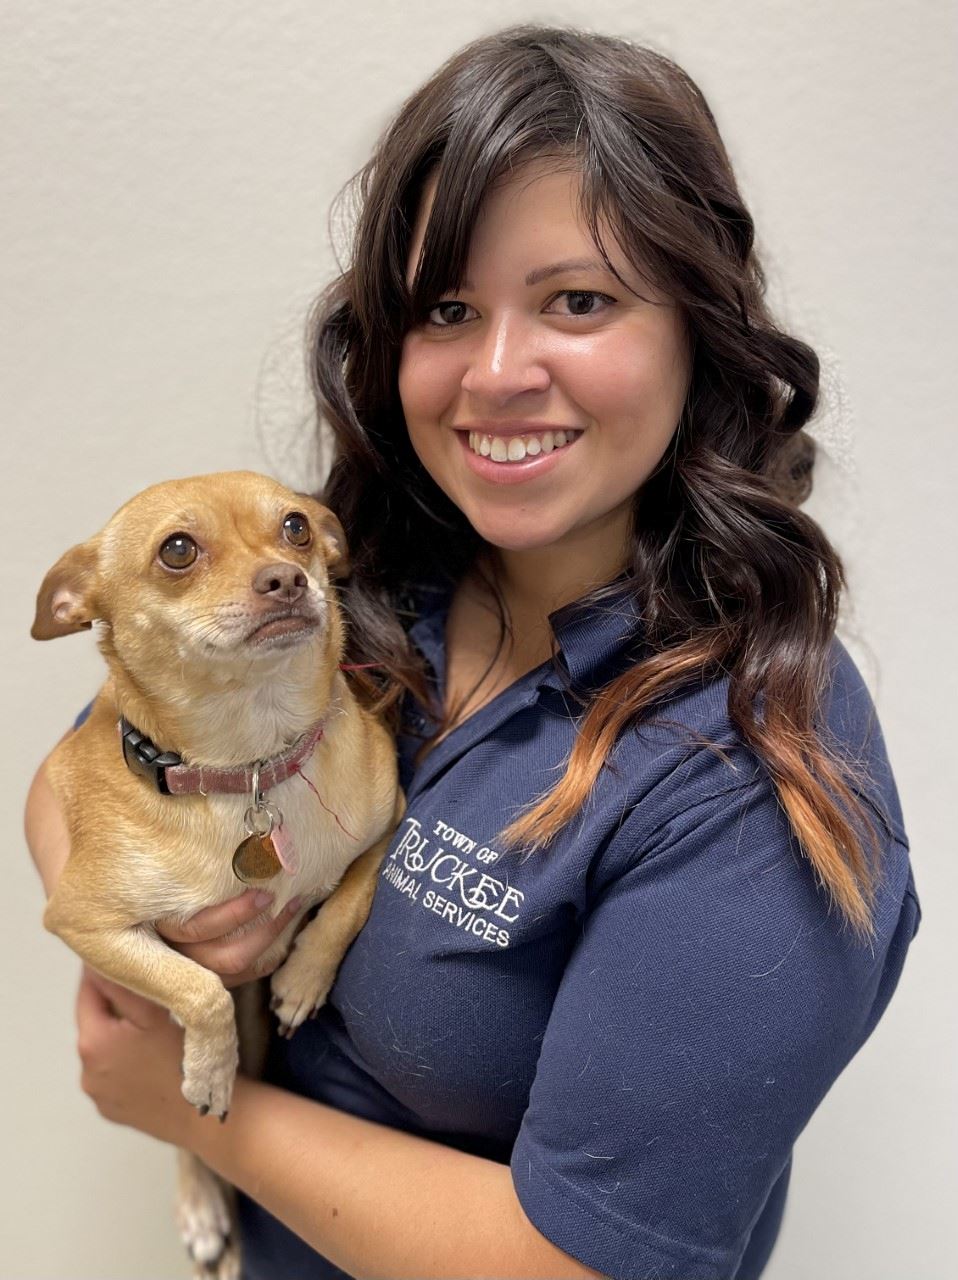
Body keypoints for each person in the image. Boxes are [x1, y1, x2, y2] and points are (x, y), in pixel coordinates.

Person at [25, 24, 921, 1280]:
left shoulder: (752, 774)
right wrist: (168, 928)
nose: (497, 372)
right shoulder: (364, 575)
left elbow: (579, 1265)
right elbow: (83, 769)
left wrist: (186, 1106)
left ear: (699, 325)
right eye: (447, 309)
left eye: (577, 301)